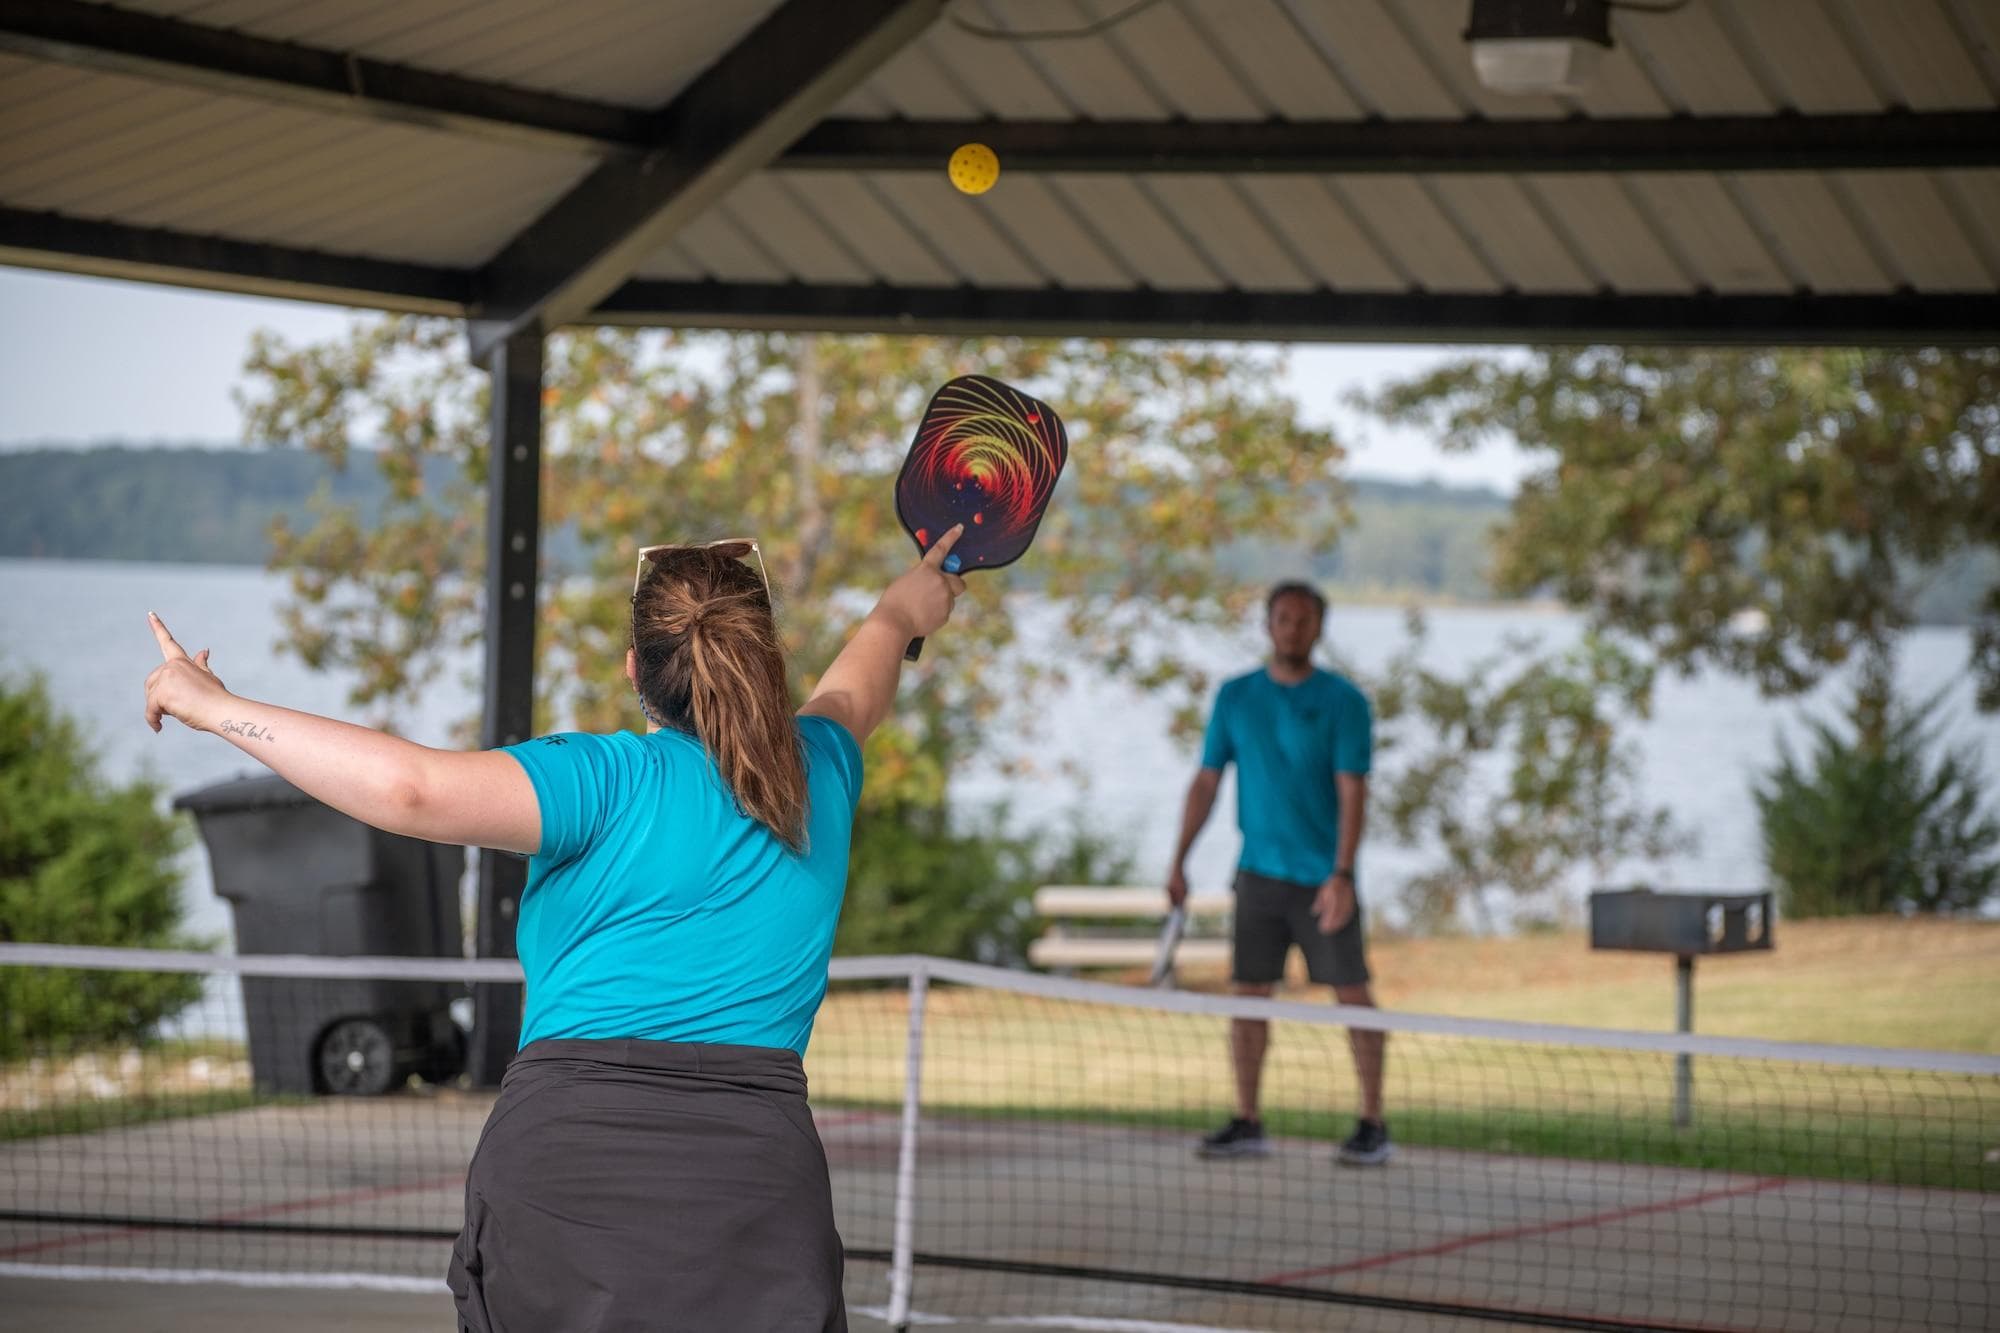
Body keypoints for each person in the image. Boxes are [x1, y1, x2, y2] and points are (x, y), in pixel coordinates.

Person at [142, 526, 971, 1332]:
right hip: (757, 1185)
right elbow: (864, 671)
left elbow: (409, 790)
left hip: (563, 1172)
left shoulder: (600, 778)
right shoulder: (818, 768)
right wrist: (906, 607)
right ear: (762, 661)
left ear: (634, 669)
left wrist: (214, 708)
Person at [1165, 580, 1389, 1166]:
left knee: (1353, 994)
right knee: (1250, 997)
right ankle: (1247, 1119)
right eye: (1284, 619)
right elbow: (1208, 780)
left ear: (1319, 628)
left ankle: (1372, 1122)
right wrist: (1179, 858)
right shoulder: (1236, 697)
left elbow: (1353, 793)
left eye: (1304, 620)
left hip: (1323, 881)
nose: (1293, 629)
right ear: (1268, 625)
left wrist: (1341, 874)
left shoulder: (1344, 703)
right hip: (1258, 875)